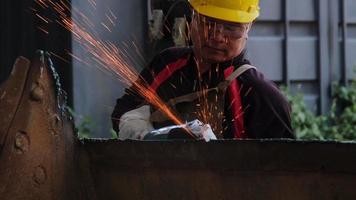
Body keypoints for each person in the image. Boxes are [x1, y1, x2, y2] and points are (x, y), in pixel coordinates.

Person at [112, 0, 295, 140]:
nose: (217, 37)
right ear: (193, 19)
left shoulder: (260, 95)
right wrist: (152, 137)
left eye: (231, 28)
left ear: (248, 27)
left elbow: (283, 168)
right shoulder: (166, 64)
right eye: (208, 23)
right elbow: (121, 113)